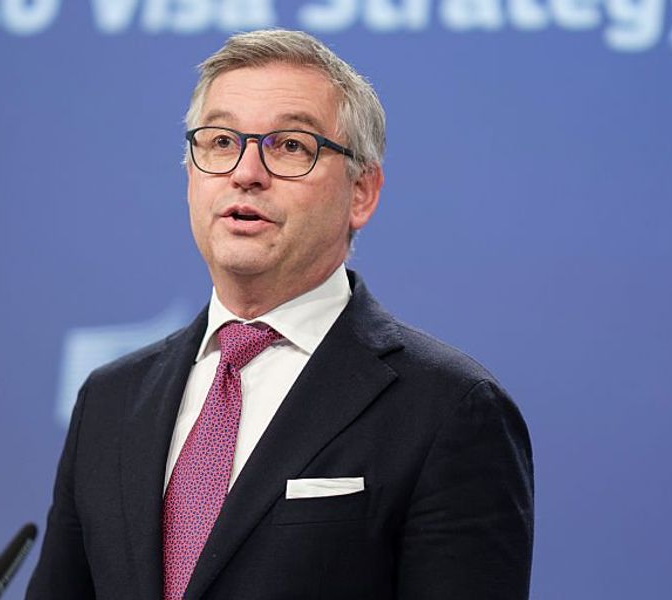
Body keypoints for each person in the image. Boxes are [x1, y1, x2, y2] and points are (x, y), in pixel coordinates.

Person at [26, 30, 533, 600]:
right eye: (221, 141)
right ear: (190, 176)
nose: (246, 172)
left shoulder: (450, 408)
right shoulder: (111, 399)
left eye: (290, 146)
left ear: (362, 193)